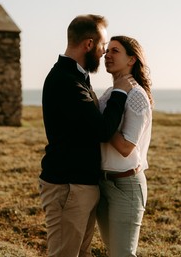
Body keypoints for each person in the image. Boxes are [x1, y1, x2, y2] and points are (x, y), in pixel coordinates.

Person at [39, 14, 135, 257]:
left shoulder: (77, 77)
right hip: (67, 186)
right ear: (89, 44)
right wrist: (120, 94)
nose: (104, 53)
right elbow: (102, 130)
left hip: (80, 185)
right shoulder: (65, 81)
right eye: (103, 45)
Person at [96, 36, 153, 256]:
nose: (107, 55)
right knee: (113, 251)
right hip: (103, 183)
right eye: (107, 50)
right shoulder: (110, 94)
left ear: (131, 59)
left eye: (115, 51)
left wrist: (101, 124)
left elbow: (126, 147)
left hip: (126, 185)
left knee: (123, 254)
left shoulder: (136, 95)